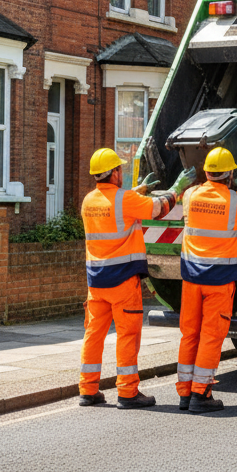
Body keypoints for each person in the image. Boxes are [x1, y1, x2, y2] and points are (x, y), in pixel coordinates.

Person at [78, 148, 195, 408]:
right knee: (127, 335)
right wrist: (176, 188)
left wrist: (137, 191)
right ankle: (128, 392)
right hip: (122, 281)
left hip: (96, 283)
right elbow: (158, 208)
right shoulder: (124, 201)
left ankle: (88, 389)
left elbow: (115, 204)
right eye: (120, 169)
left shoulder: (89, 201)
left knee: (93, 334)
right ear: (115, 173)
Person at [175, 147, 237, 413]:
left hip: (191, 279)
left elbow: (179, 196)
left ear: (207, 173)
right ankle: (202, 395)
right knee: (211, 336)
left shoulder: (190, 195)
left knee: (189, 334)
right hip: (219, 281)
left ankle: (185, 393)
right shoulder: (236, 200)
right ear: (231, 174)